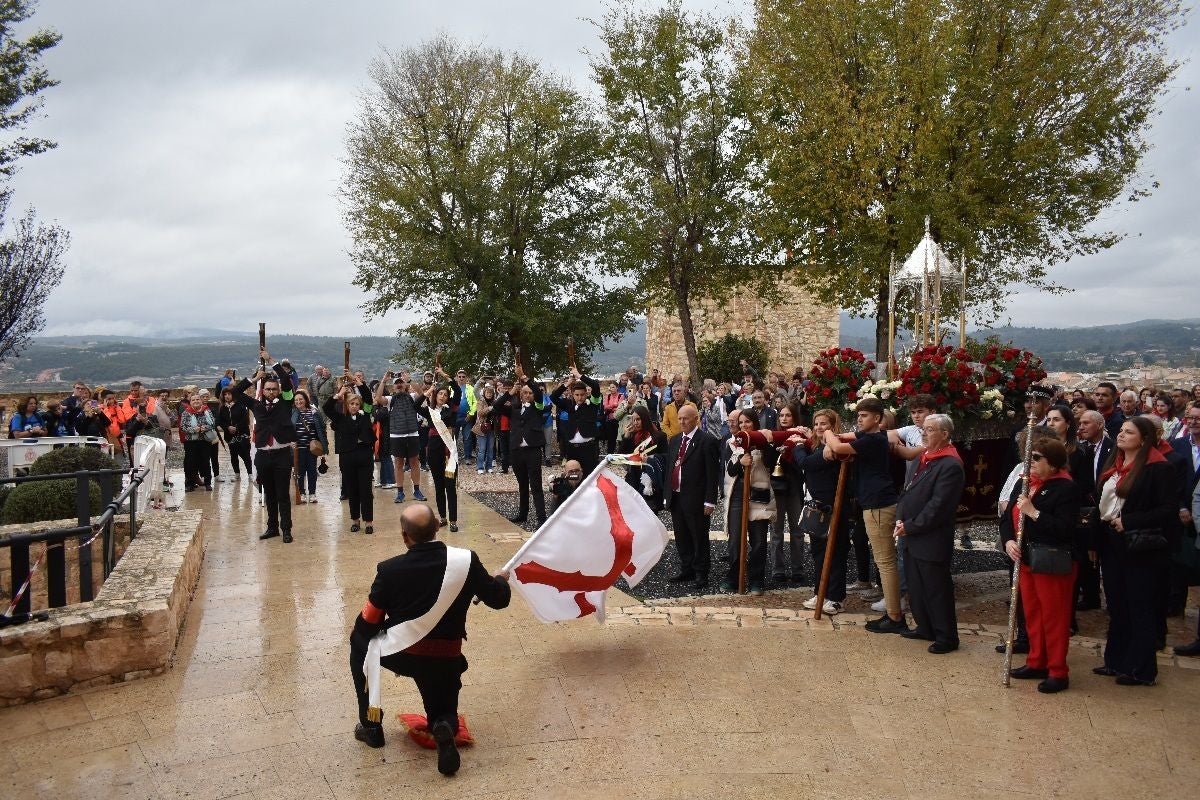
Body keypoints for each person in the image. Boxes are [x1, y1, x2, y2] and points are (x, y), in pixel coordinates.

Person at [349, 504, 510, 775]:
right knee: (444, 711)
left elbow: (367, 625)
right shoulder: (466, 561)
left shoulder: (389, 570)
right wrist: (500, 580)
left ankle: (371, 726)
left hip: (402, 655)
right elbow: (499, 599)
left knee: (358, 643)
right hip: (445, 656)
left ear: (404, 536)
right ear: (438, 526)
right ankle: (442, 726)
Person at [1095, 415, 1179, 685]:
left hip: (1140, 545)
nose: (1121, 435)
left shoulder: (1158, 468)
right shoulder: (1114, 464)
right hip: (1112, 543)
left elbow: (1167, 510)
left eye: (1128, 432)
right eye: (1120, 430)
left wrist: (1129, 521)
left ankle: (1140, 668)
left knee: (1139, 605)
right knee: (1117, 604)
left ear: (1143, 440)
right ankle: (1115, 660)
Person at [1000, 437, 1080, 691]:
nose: (1030, 462)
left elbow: (1064, 529)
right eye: (1029, 456)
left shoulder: (1065, 488)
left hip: (1051, 560)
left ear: (1054, 463)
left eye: (1037, 458)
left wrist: (1034, 512)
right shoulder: (1025, 482)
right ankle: (1037, 661)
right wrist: (1009, 540)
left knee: (1053, 616)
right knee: (1032, 612)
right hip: (1024, 558)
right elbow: (1007, 515)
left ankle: (1058, 669)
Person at [824, 397, 907, 634]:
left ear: (878, 419)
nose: (859, 420)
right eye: (858, 416)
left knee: (885, 561)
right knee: (884, 560)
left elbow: (839, 446)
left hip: (879, 503)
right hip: (874, 502)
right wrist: (836, 438)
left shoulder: (873, 440)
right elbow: (847, 439)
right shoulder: (871, 437)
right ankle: (893, 613)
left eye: (864, 416)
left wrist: (829, 432)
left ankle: (894, 616)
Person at [895, 413, 965, 655]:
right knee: (916, 586)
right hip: (912, 533)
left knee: (936, 589)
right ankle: (925, 626)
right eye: (923, 429)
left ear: (945, 435)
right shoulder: (925, 456)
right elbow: (909, 489)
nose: (923, 433)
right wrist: (901, 517)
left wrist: (911, 525)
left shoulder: (950, 464)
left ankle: (946, 636)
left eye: (930, 429)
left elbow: (939, 506)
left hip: (931, 537)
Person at [233, 352, 299, 544]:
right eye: (268, 389)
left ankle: (286, 529)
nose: (271, 392)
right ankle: (272, 527)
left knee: (282, 494)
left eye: (274, 389)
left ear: (278, 391)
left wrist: (272, 362)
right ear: (263, 390)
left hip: (281, 455)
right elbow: (236, 393)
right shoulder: (256, 405)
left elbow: (286, 380)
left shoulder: (286, 403)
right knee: (268, 493)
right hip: (263, 454)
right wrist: (254, 378)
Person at [662, 404, 720, 591]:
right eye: (679, 419)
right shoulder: (675, 440)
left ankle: (701, 571)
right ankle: (686, 567)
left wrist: (710, 500)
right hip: (677, 497)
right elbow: (671, 467)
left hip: (696, 497)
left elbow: (712, 474)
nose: (682, 422)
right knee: (681, 536)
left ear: (696, 419)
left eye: (685, 418)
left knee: (698, 536)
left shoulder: (707, 441)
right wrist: (667, 495)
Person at [798, 409, 851, 614]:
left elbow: (806, 463)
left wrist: (798, 447)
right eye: (817, 424)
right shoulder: (816, 445)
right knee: (818, 552)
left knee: (836, 553)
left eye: (824, 424)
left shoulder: (834, 446)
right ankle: (820, 592)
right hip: (816, 506)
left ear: (833, 426)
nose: (819, 427)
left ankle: (836, 597)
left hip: (834, 507)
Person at [721, 409, 777, 596]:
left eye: (748, 422)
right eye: (741, 422)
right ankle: (734, 577)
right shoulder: (733, 443)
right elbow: (730, 469)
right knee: (736, 540)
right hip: (737, 496)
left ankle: (756, 580)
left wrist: (764, 445)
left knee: (759, 541)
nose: (744, 425)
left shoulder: (763, 442)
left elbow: (771, 462)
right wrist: (741, 462)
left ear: (755, 423)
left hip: (758, 496)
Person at [494, 366, 547, 526]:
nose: (528, 395)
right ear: (521, 394)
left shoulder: (538, 407)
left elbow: (538, 393)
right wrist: (509, 392)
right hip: (517, 450)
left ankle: (541, 518)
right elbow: (496, 406)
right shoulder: (514, 410)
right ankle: (522, 514)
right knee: (522, 484)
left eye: (529, 392)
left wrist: (524, 377)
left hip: (533, 450)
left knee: (536, 485)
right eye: (525, 392)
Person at [325, 385, 377, 534]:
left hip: (364, 456)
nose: (354, 406)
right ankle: (355, 520)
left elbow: (367, 397)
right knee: (352, 490)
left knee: (366, 490)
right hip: (347, 457)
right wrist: (338, 394)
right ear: (347, 405)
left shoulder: (365, 414)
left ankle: (368, 522)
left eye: (356, 404)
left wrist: (359, 383)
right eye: (351, 404)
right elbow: (327, 408)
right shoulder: (341, 419)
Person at [374, 370, 428, 505]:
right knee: (398, 463)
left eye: (401, 383)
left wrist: (409, 380)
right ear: (393, 387)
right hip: (397, 435)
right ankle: (400, 492)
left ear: (405, 385)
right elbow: (378, 398)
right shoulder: (390, 400)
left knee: (415, 462)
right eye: (396, 384)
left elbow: (422, 394)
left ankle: (416, 490)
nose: (399, 385)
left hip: (412, 433)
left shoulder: (412, 396)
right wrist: (383, 381)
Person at [769, 404, 807, 585]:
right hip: (777, 489)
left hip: (794, 487)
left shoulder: (801, 436)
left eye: (788, 415)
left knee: (797, 531)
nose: (784, 418)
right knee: (776, 531)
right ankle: (778, 569)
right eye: (781, 415)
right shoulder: (774, 437)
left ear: (794, 418)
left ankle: (798, 569)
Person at [421, 369, 462, 531]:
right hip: (434, 450)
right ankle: (443, 517)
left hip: (449, 451)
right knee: (439, 486)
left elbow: (457, 390)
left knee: (450, 486)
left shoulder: (450, 408)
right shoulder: (429, 411)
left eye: (445, 394)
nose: (443, 396)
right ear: (435, 395)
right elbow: (416, 403)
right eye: (440, 394)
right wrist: (430, 389)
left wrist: (445, 374)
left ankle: (453, 520)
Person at [551, 369, 603, 475]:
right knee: (573, 477)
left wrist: (579, 376)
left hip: (589, 449)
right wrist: (567, 383)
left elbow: (595, 386)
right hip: (572, 449)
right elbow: (554, 397)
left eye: (582, 394)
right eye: (577, 395)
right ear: (573, 394)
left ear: (586, 393)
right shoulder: (569, 405)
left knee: (590, 476)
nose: (580, 397)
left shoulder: (593, 403)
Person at [291, 390, 328, 503]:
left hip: (312, 447)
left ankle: (312, 493)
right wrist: (291, 441)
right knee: (300, 472)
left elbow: (322, 428)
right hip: (298, 448)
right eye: (296, 400)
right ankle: (301, 492)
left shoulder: (314, 412)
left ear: (305, 400)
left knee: (312, 471)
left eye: (300, 399)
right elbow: (288, 429)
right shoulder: (292, 412)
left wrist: (324, 443)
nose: (298, 401)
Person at [180, 392, 216, 492]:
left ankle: (208, 483)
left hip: (205, 441)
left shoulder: (207, 411)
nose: (196, 401)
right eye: (193, 400)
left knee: (205, 462)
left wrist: (206, 427)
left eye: (197, 399)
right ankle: (190, 484)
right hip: (191, 442)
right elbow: (183, 427)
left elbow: (213, 423)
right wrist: (193, 429)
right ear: (190, 402)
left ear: (201, 401)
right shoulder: (186, 412)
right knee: (191, 463)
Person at [217, 387, 254, 481]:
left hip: (242, 434)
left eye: (229, 394)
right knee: (234, 456)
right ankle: (237, 474)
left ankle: (250, 474)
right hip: (230, 436)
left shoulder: (240, 405)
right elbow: (220, 421)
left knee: (246, 455)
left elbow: (245, 419)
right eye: (225, 394)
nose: (227, 396)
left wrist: (236, 427)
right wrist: (227, 427)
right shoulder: (222, 408)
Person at [472, 380, 498, 474]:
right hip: (481, 427)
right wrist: (489, 408)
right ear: (484, 392)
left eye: (491, 392)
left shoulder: (495, 402)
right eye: (487, 392)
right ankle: (480, 467)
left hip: (492, 428)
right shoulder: (480, 401)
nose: (489, 394)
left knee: (490, 448)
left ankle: (489, 466)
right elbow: (480, 413)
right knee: (482, 449)